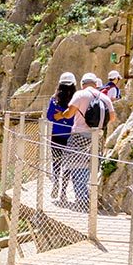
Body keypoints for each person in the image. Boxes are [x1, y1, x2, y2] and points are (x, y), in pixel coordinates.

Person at [54, 72, 116, 208]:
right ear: (95, 84)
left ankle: (82, 199)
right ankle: (88, 196)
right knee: (91, 165)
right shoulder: (105, 97)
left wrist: (60, 116)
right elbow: (112, 117)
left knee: (76, 165)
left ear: (82, 84)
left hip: (79, 135)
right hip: (97, 137)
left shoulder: (80, 95)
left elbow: (70, 113)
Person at [46, 72, 76, 200]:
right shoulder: (75, 100)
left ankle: (56, 183)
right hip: (71, 135)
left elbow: (49, 116)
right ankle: (63, 190)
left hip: (57, 134)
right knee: (68, 163)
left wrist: (59, 117)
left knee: (57, 161)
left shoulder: (54, 100)